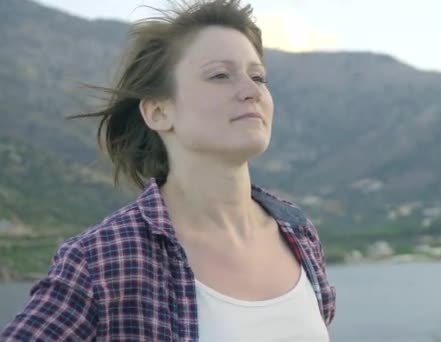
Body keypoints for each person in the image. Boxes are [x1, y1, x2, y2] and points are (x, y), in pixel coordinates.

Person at [0, 0, 336, 340]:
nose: (252, 92)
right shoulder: (102, 259)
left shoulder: (298, 233)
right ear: (159, 112)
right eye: (220, 75)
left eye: (258, 76)